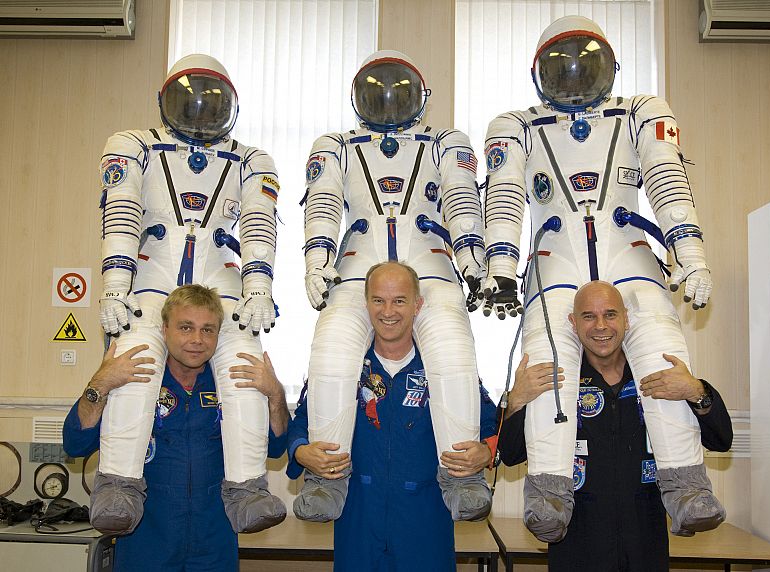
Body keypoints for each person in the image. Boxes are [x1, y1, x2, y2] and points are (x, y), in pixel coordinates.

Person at [481, 14, 723, 541]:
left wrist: (691, 252)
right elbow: (503, 196)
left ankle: (685, 489)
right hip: (556, 259)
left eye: (583, 64)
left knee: (661, 354)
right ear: (538, 72)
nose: (571, 77)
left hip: (628, 252)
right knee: (548, 372)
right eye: (559, 66)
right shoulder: (516, 125)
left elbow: (666, 178)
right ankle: (548, 494)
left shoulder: (640, 111)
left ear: (611, 65)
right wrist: (499, 266)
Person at [93, 53, 284, 534]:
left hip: (220, 284)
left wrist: (259, 286)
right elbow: (122, 211)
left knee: (245, 373)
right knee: (135, 366)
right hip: (151, 278)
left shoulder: (252, 157)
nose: (199, 112)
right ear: (165, 99)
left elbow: (260, 225)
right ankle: (119, 484)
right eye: (189, 99)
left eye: (211, 101)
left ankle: (247, 489)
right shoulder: (133, 145)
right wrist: (115, 286)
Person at [297, 50, 490, 522]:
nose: (385, 100)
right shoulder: (335, 144)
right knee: (330, 356)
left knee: (453, 355)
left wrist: (474, 261)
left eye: (397, 90)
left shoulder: (445, 141)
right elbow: (322, 204)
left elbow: (463, 201)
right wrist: (316, 260)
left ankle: (463, 475)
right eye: (375, 90)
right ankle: (327, 476)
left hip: (431, 272)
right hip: (357, 275)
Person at [497, 281, 732, 571]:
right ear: (573, 322)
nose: (601, 326)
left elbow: (722, 439)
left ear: (626, 319)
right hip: (576, 545)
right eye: (588, 316)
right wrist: (516, 399)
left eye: (610, 314)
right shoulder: (553, 381)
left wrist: (696, 390)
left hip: (645, 542)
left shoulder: (661, 375)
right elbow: (510, 455)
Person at [63, 284, 290, 572]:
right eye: (186, 327)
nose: (197, 339)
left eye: (208, 330)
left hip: (213, 547)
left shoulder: (234, 386)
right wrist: (99, 385)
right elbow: (75, 444)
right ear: (164, 329)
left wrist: (275, 395)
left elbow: (276, 448)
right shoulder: (132, 380)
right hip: (146, 544)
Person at [288, 262, 498, 571]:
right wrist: (302, 451)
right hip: (358, 521)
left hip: (426, 524)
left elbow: (490, 424)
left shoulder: (445, 367)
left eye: (399, 300)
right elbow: (301, 423)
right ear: (366, 303)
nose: (389, 311)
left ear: (418, 304)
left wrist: (487, 451)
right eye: (378, 300)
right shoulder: (342, 368)